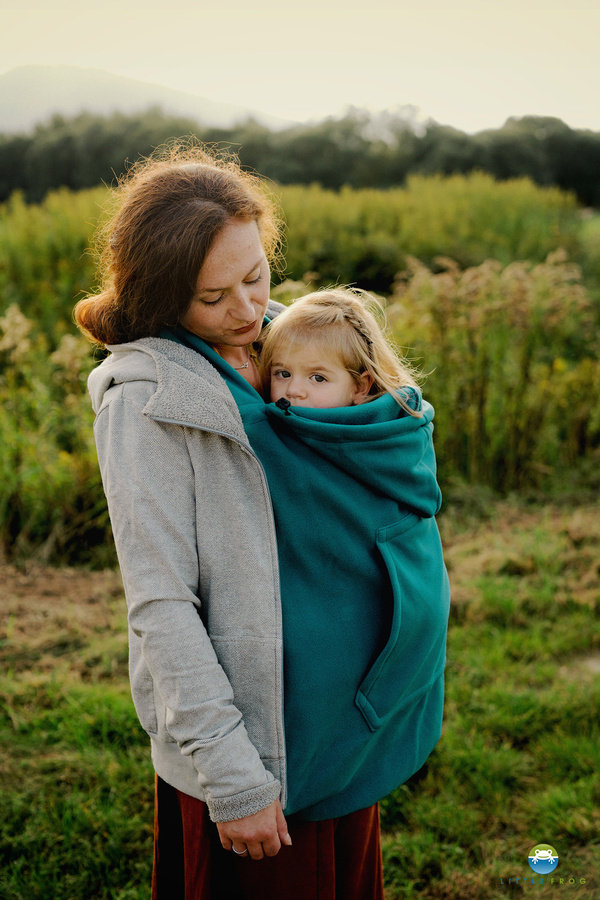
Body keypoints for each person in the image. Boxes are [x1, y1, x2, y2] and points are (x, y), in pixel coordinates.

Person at [75, 144, 449, 900]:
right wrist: (233, 778)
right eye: (215, 298)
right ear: (161, 294)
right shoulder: (143, 406)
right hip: (256, 751)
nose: (249, 312)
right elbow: (162, 606)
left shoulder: (288, 342)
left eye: (256, 276)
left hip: (335, 732)